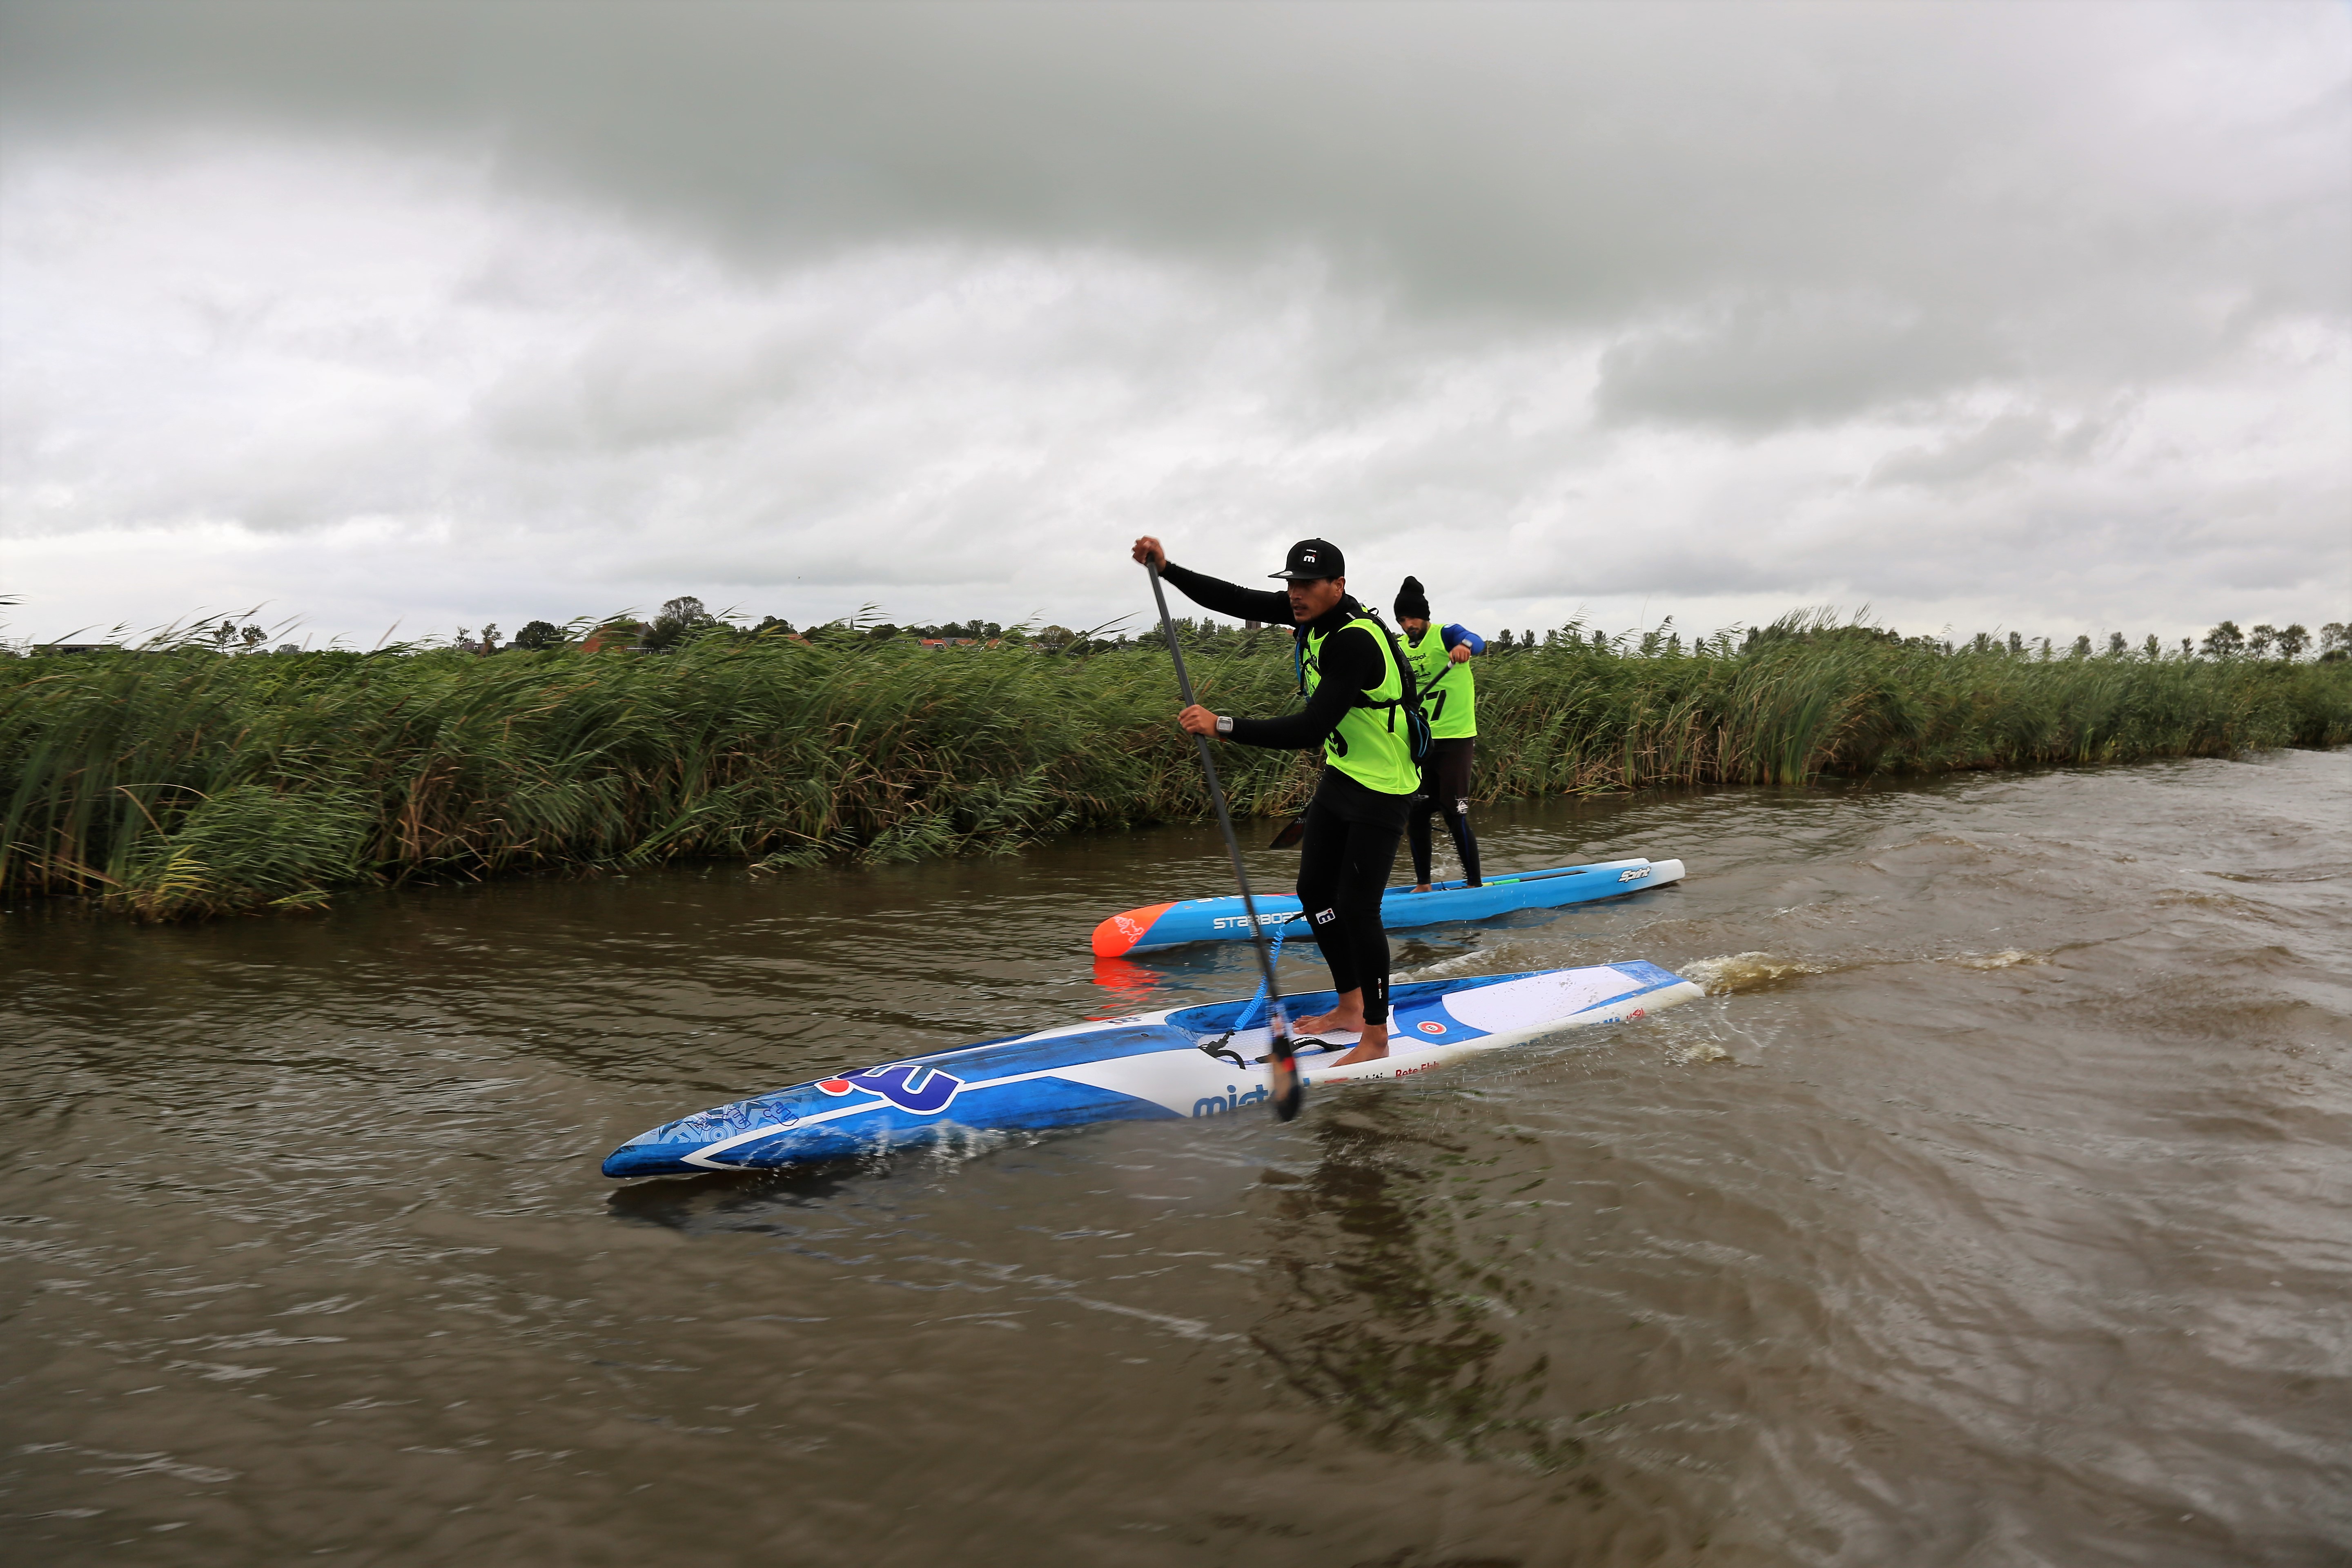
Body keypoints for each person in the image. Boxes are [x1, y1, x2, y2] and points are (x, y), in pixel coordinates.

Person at [1132, 534, 1419, 1066]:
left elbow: (1311, 727)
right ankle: (1351, 1006)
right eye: (1291, 584)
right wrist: (1167, 569)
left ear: (1338, 585)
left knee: (1358, 909)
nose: (1295, 594)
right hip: (1344, 775)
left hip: (1385, 787)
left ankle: (1376, 1037)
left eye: (1308, 584)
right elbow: (1234, 599)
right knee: (1315, 892)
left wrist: (1222, 725)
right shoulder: (1308, 614)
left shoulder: (1355, 640)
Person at [1392, 576, 1485, 893]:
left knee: (1453, 813)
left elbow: (1476, 640)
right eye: (1402, 620)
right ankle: (1424, 885)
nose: (1408, 625)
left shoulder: (1446, 634)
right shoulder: (1399, 648)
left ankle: (1474, 886)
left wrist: (1464, 647)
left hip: (1455, 740)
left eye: (1412, 618)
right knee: (1416, 814)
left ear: (1424, 616)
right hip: (1421, 741)